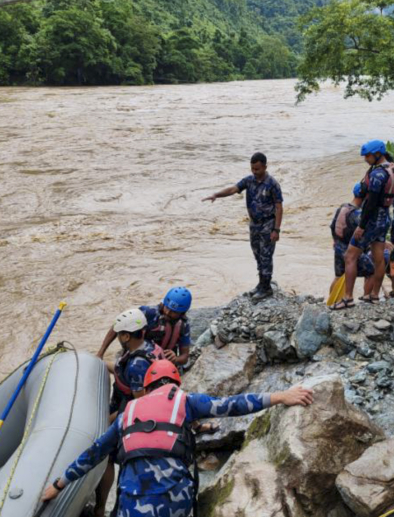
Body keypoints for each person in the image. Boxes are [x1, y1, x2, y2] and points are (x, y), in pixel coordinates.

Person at [41, 360, 314, 517]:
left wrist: (58, 484)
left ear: (146, 388)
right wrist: (280, 395)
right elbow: (233, 404)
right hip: (176, 500)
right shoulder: (185, 401)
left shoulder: (127, 413)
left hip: (132, 504)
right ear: (175, 383)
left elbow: (94, 453)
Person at [97, 309, 164, 517]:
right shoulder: (152, 348)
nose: (117, 338)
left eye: (118, 334)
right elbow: (118, 369)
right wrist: (98, 362)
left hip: (134, 412)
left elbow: (139, 404)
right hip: (142, 404)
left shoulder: (136, 365)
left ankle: (100, 508)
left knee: (107, 456)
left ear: (126, 336)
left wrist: (106, 421)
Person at [332, 140, 394, 310]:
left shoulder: (378, 174)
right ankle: (374, 295)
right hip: (385, 217)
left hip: (372, 219)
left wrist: (361, 226)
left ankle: (348, 298)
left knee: (350, 256)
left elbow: (370, 202)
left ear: (378, 154)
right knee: (379, 258)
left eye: (368, 156)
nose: (366, 159)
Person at [202, 153, 283, 302]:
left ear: (265, 166)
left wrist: (276, 230)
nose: (254, 171)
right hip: (254, 224)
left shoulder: (272, 184)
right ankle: (261, 284)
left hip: (268, 224)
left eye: (257, 169)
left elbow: (279, 207)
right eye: (252, 168)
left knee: (266, 256)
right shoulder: (249, 180)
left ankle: (266, 288)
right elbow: (233, 189)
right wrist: (216, 195)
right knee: (257, 254)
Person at [97, 287, 193, 368]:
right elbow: (118, 325)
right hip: (139, 358)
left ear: (182, 313)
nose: (168, 312)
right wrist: (101, 353)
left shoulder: (183, 325)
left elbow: (185, 356)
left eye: (174, 312)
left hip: (163, 365)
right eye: (167, 308)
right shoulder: (149, 313)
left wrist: (176, 359)